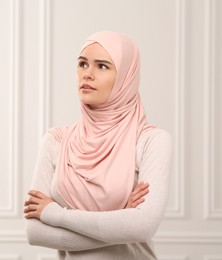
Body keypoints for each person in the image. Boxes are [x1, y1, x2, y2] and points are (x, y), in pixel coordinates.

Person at [24, 31, 173, 259]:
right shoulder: (55, 141)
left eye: (102, 66)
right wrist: (121, 219)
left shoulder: (152, 141)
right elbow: (35, 233)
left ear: (126, 77)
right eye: (82, 64)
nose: (87, 74)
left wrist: (55, 214)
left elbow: (143, 226)